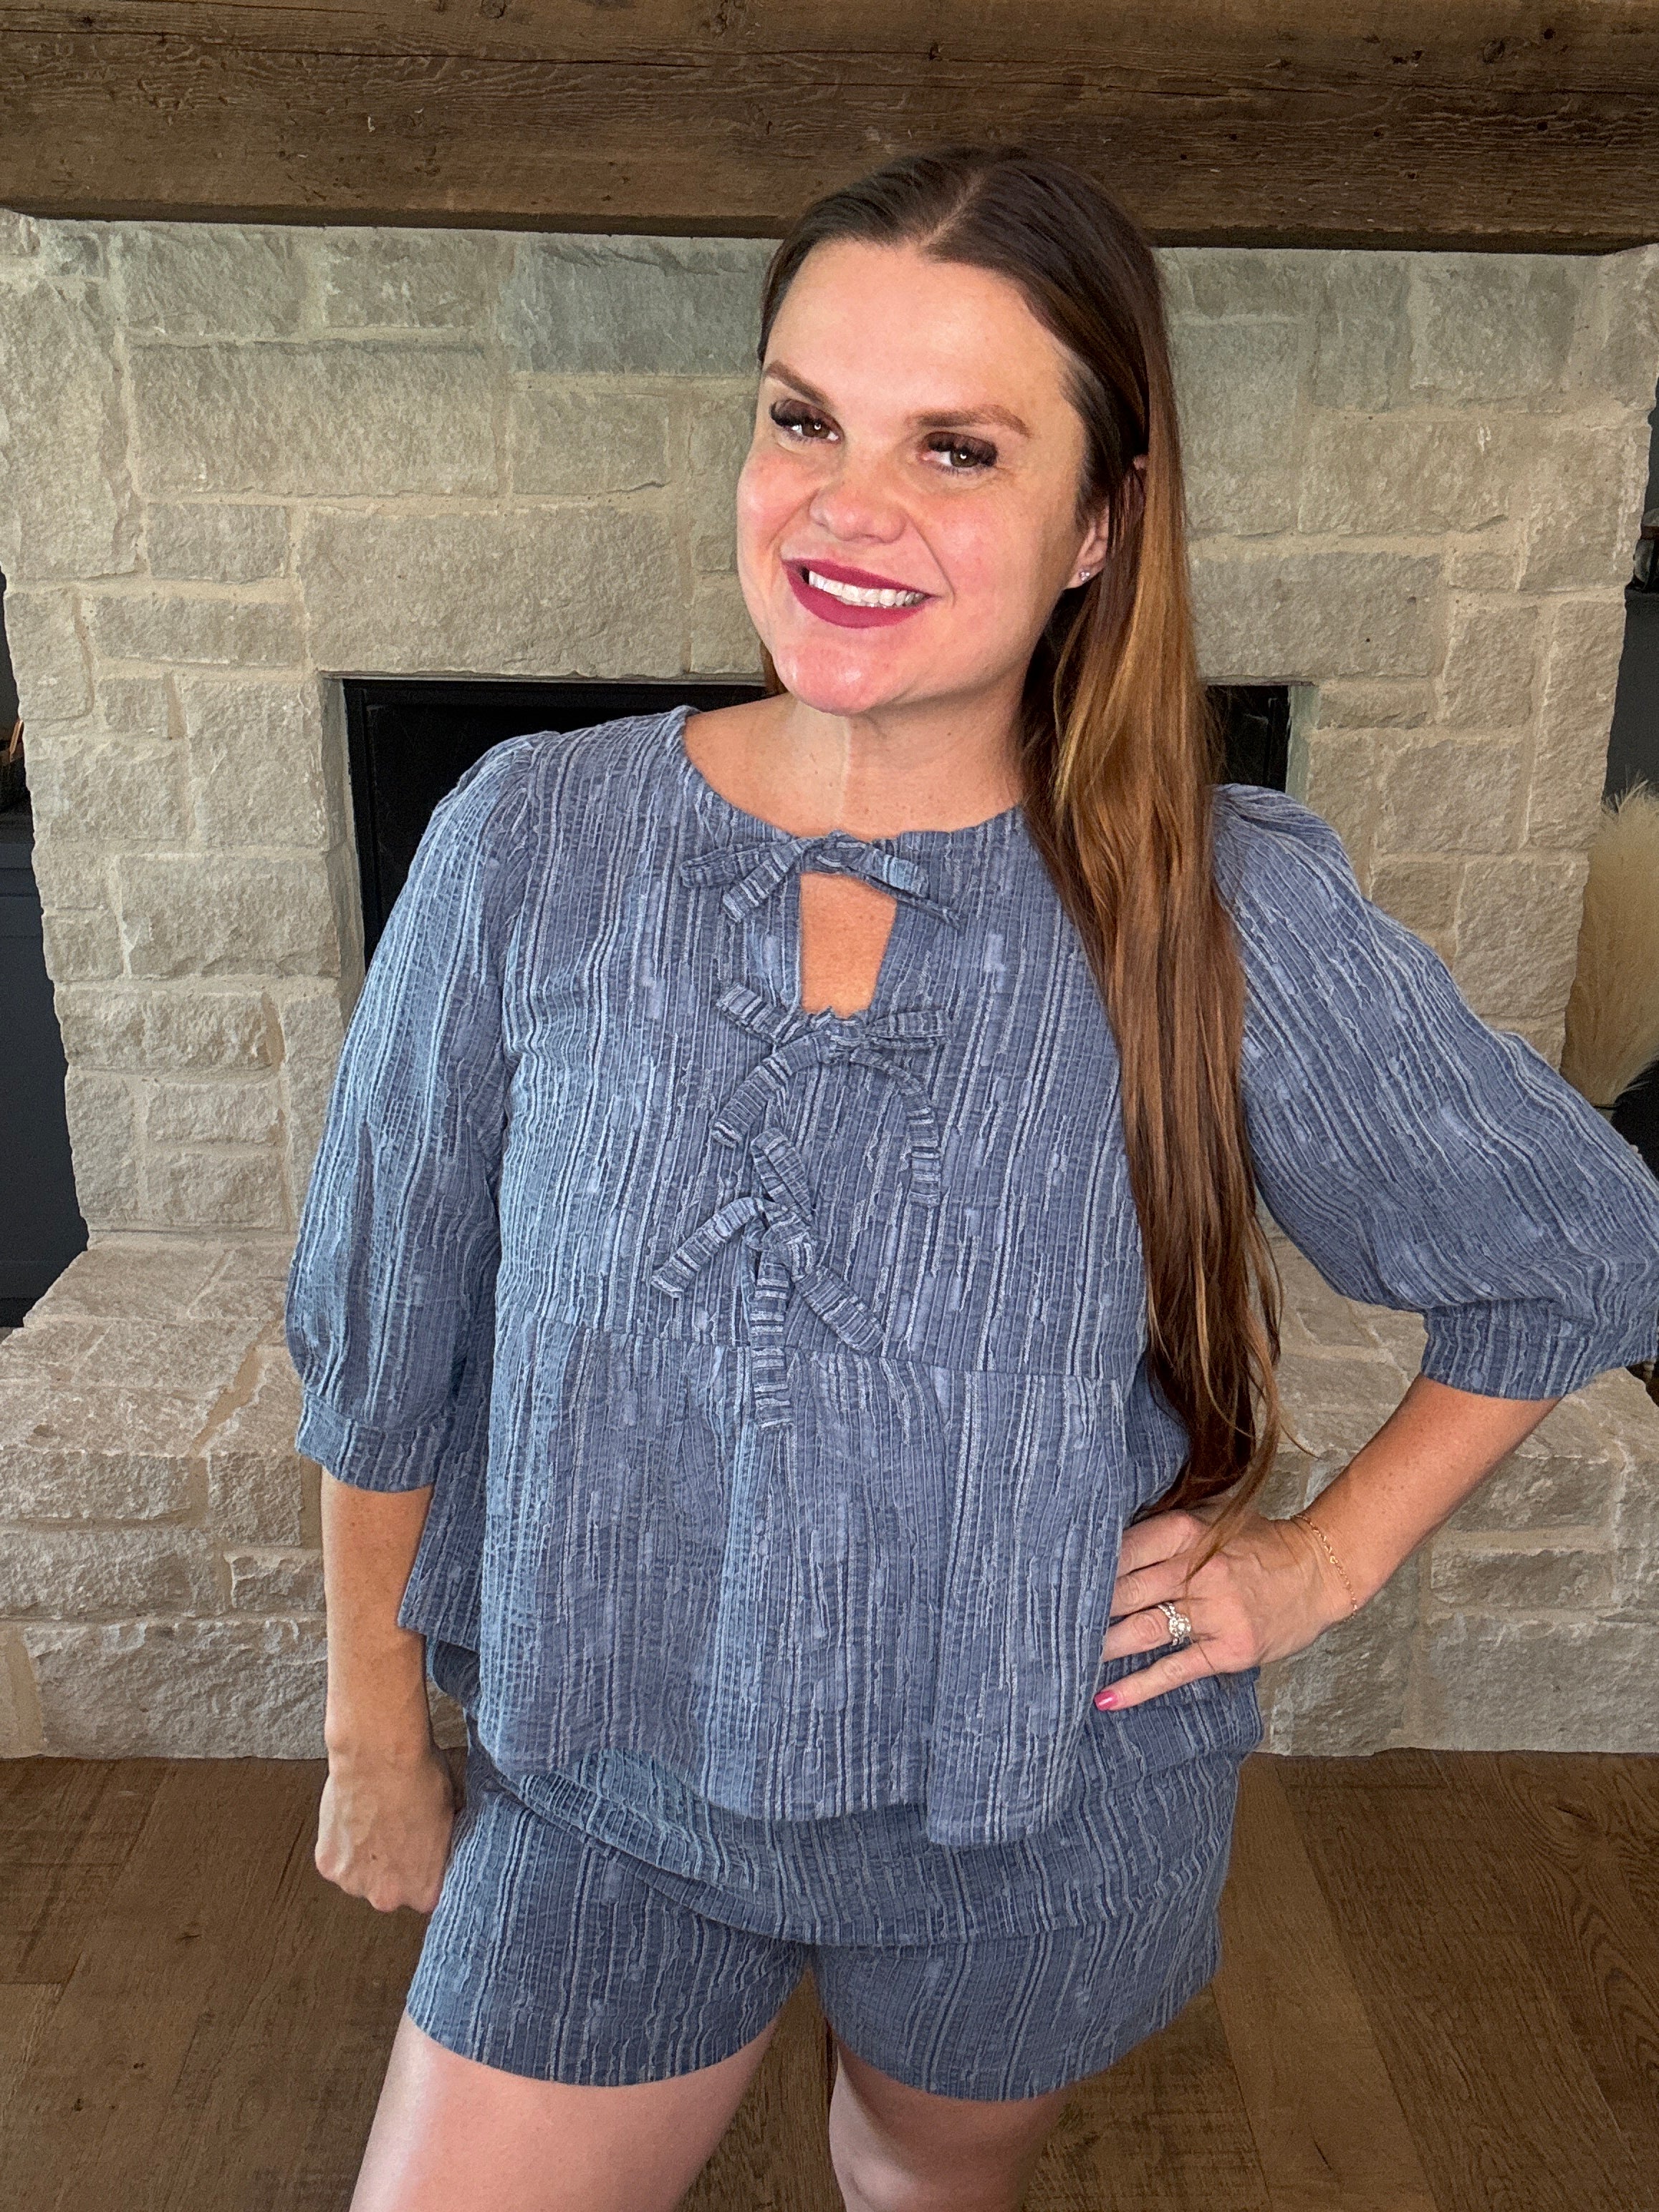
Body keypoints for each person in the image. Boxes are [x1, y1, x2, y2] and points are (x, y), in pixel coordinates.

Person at [284, 143, 1659, 2212]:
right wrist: (375, 1732)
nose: (849, 508)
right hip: (604, 1790)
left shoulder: (1212, 901)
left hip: (1038, 1804)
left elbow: (1575, 1248)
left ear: (1097, 523)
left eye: (958, 449)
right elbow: (383, 1329)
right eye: (802, 421)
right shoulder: (529, 841)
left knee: (922, 2184)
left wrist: (1321, 1563)